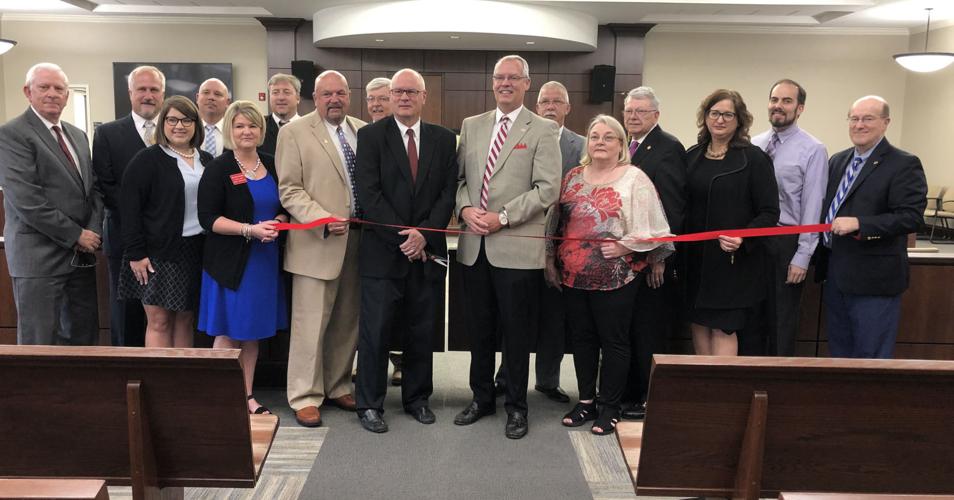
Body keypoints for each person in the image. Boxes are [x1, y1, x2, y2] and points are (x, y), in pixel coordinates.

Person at [453, 55, 561, 439]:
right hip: (474, 246)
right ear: (492, 82)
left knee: (516, 334)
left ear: (527, 84)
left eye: (513, 78)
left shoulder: (543, 129)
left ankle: (517, 407)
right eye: (499, 77)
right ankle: (481, 399)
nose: (505, 83)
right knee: (478, 331)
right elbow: (461, 179)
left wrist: (502, 216)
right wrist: (465, 208)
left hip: (515, 246)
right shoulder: (472, 125)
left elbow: (548, 189)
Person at [546, 114, 672, 435]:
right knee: (582, 340)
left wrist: (625, 247)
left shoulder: (634, 178)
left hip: (618, 277)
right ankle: (586, 401)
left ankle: (610, 406)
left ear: (620, 145)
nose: (600, 142)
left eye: (608, 137)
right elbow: (556, 225)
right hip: (574, 276)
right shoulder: (572, 177)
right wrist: (550, 259)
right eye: (594, 136)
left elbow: (656, 229)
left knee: (613, 342)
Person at [353, 69, 458, 433]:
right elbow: (369, 195)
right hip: (383, 253)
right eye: (398, 91)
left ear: (424, 97)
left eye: (411, 92)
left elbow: (448, 194)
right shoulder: (369, 137)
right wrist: (405, 237)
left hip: (426, 254)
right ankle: (369, 403)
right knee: (375, 332)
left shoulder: (445, 139)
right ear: (390, 95)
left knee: (421, 330)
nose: (404, 97)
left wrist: (424, 236)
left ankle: (417, 399)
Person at [276, 70, 366, 428]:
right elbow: (290, 189)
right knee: (310, 324)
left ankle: (338, 383)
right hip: (316, 242)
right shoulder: (294, 132)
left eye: (340, 93)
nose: (334, 100)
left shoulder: (361, 130)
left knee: (347, 321)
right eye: (327, 94)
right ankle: (304, 395)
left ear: (349, 96)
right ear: (315, 97)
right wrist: (321, 218)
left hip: (359, 242)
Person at [0, 62, 103, 346]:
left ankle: (83, 392)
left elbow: (92, 191)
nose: (52, 94)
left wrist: (92, 234)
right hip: (38, 258)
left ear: (68, 95)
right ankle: (35, 394)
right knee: (39, 341)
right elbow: (26, 200)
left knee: (84, 339)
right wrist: (76, 235)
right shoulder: (12, 134)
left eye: (59, 88)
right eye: (43, 87)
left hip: (80, 257)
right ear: (28, 92)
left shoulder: (77, 135)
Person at [816, 95, 926, 359]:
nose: (859, 125)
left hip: (874, 281)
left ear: (886, 122)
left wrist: (861, 224)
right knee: (839, 354)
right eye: (854, 118)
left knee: (871, 359)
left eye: (868, 118)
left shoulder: (903, 163)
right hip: (836, 275)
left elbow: (911, 217)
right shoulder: (838, 161)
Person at [197, 100, 289, 415]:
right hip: (231, 264)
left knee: (252, 333)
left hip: (264, 263)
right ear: (229, 131)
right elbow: (209, 219)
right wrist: (250, 230)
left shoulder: (271, 163)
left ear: (261, 131)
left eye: (252, 125)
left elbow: (282, 205)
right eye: (239, 126)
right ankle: (221, 398)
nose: (246, 131)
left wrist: (278, 219)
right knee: (229, 332)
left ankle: (246, 395)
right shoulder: (219, 168)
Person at [494, 80, 582, 404]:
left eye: (557, 101)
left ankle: (548, 380)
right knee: (515, 316)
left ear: (567, 108)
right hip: (519, 240)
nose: (550, 106)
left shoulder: (582, 146)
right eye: (545, 100)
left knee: (553, 320)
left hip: (563, 248)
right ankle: (506, 377)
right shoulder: (521, 134)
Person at [684, 89, 779, 356]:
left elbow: (770, 212)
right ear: (705, 117)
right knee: (699, 323)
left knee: (722, 327)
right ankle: (704, 391)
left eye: (728, 114)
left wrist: (743, 237)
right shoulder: (692, 156)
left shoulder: (754, 159)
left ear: (740, 120)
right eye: (714, 113)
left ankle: (721, 393)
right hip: (695, 261)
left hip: (732, 263)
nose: (720, 120)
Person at [119, 96, 214, 348]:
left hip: (196, 250)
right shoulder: (147, 159)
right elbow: (129, 210)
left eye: (186, 120)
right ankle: (159, 384)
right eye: (172, 119)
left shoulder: (206, 160)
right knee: (159, 321)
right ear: (163, 123)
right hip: (156, 253)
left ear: (196, 124)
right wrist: (136, 253)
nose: (179, 126)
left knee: (185, 319)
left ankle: (180, 384)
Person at [619, 86, 687, 420]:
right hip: (622, 256)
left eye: (641, 111)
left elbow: (671, 208)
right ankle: (627, 393)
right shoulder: (622, 147)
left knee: (649, 330)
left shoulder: (668, 148)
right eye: (629, 110)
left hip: (652, 260)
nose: (633, 116)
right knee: (628, 329)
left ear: (656, 115)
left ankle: (648, 397)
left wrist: (661, 256)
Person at [751, 79, 828, 357]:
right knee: (751, 319)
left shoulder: (813, 149)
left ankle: (775, 390)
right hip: (754, 242)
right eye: (774, 100)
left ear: (800, 108)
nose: (778, 106)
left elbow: (813, 204)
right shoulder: (754, 144)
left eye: (786, 101)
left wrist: (803, 254)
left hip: (787, 243)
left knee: (780, 321)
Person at [92, 65, 165, 347]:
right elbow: (104, 185)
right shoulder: (108, 133)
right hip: (123, 237)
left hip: (167, 240)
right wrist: (142, 215)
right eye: (142, 89)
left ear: (163, 94)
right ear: (130, 93)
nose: (148, 95)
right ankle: (127, 376)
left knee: (166, 314)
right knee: (126, 312)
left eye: (154, 90)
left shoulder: (175, 131)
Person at [363, 75, 404, 387]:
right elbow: (369, 191)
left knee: (401, 314)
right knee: (367, 315)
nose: (376, 104)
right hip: (367, 239)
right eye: (371, 99)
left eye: (382, 98)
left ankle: (399, 362)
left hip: (407, 242)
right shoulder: (361, 133)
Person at [260, 73, 301, 157]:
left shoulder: (309, 128)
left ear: (298, 98)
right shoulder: (259, 126)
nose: (281, 98)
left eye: (287, 92)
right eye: (275, 93)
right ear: (269, 97)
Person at [196, 78, 231, 157]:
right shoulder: (186, 129)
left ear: (227, 102)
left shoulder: (235, 130)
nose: (211, 97)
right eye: (206, 92)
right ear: (197, 98)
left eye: (217, 94)